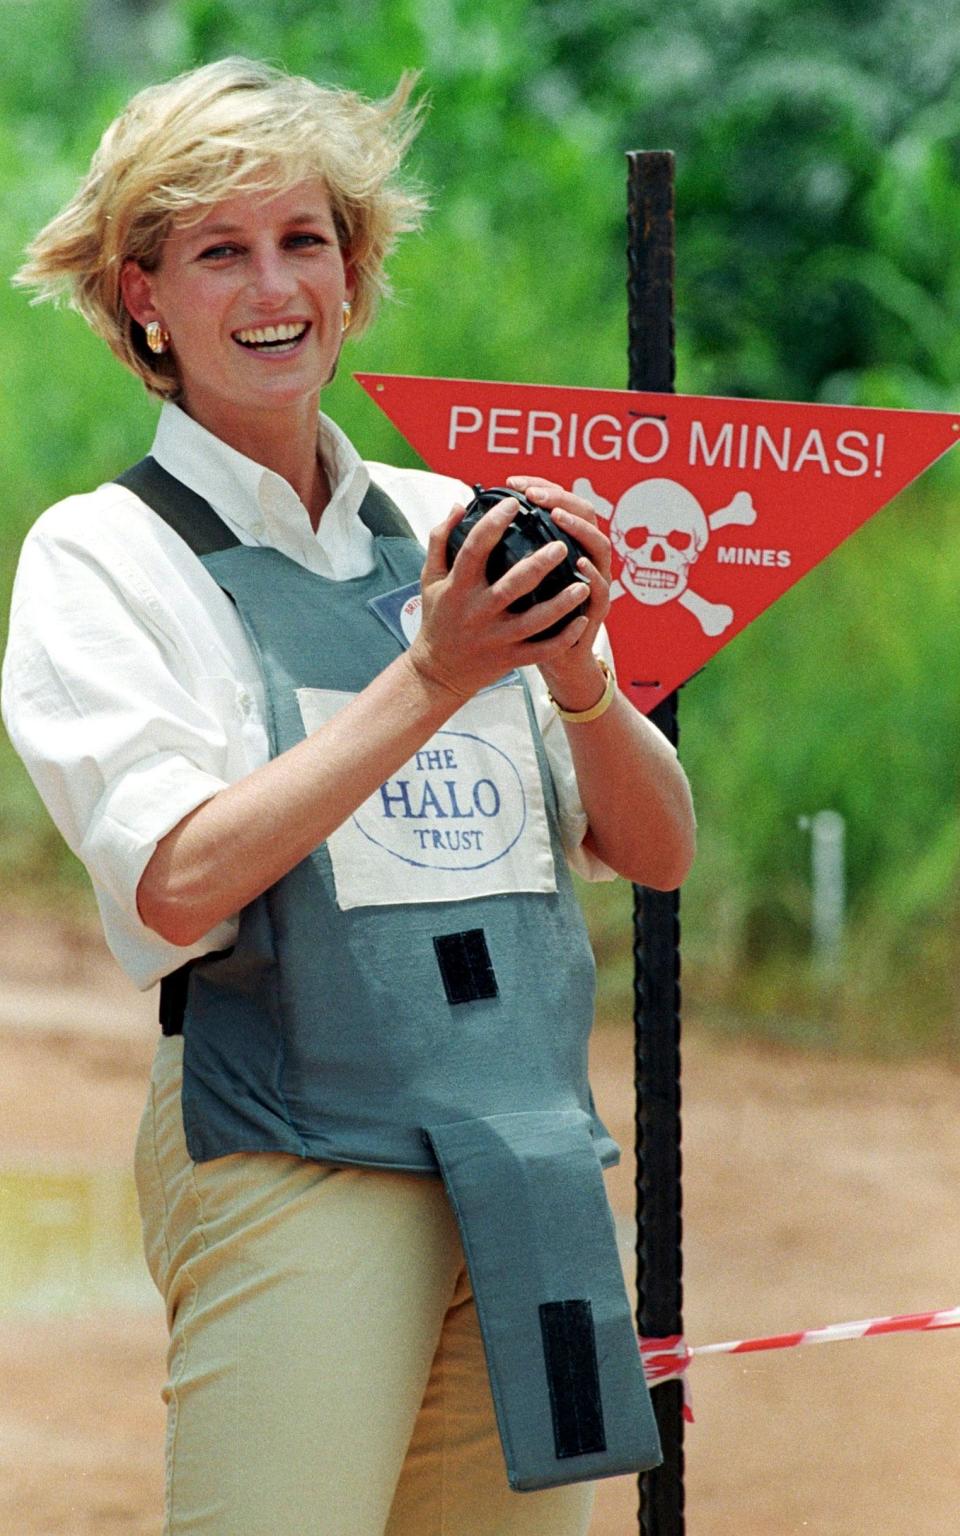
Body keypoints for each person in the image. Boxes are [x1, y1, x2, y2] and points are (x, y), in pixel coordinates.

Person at [2, 57, 695, 1536]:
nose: (274, 285)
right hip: (289, 1143)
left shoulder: (454, 521)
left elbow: (658, 845)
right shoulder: (101, 557)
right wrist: (433, 677)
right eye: (218, 249)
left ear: (355, 269)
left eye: (305, 239)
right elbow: (178, 881)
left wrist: (578, 675)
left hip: (522, 1155)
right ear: (142, 299)